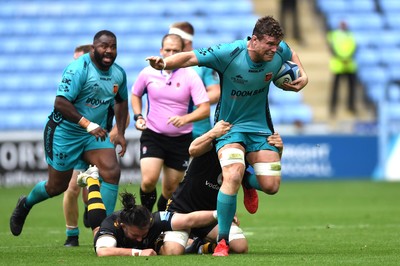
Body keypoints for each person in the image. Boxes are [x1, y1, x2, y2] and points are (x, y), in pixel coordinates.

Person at [146, 16, 308, 256]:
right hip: (230, 127)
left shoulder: (278, 51)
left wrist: (303, 75)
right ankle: (222, 241)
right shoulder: (229, 52)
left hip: (260, 127)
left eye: (277, 46)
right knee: (231, 174)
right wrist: (164, 64)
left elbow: (291, 52)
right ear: (254, 40)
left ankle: (246, 181)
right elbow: (191, 57)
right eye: (270, 45)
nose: (275, 51)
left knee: (271, 186)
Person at [10, 30, 129, 238]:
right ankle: (25, 203)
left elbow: (121, 100)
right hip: (65, 132)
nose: (109, 51)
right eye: (104, 46)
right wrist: (87, 123)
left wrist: (120, 131)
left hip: (93, 134)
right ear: (93, 48)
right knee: (57, 186)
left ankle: (106, 232)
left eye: (113, 46)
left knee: (111, 171)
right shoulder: (78, 69)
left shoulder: (118, 73)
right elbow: (60, 103)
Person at [159, 120, 284, 255]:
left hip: (211, 215)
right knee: (172, 251)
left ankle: (200, 246)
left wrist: (277, 151)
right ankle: (157, 241)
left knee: (240, 247)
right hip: (183, 209)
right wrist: (212, 133)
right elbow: (192, 149)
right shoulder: (220, 137)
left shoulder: (249, 146)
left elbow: (268, 181)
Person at [131, 33, 210, 212]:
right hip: (153, 134)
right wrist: (138, 116)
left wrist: (185, 119)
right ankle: (144, 216)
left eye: (175, 50)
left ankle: (159, 221)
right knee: (149, 180)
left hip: (180, 139)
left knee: (170, 188)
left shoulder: (190, 76)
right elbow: (135, 94)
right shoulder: (148, 72)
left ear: (182, 52)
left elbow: (204, 108)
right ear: (161, 50)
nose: (171, 53)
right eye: (167, 50)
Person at [76, 164, 219, 256]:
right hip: (108, 229)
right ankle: (92, 180)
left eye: (143, 234)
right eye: (135, 235)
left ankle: (198, 246)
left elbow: (189, 219)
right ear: (123, 226)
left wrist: (219, 214)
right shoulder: (111, 227)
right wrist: (138, 253)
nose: (140, 239)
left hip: (153, 241)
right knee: (96, 229)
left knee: (173, 249)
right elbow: (103, 252)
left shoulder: (153, 220)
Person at [169, 22, 220, 138]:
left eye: (174, 37)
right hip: (170, 133)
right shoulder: (166, 64)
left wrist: (189, 98)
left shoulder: (202, 63)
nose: (170, 40)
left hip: (198, 131)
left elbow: (216, 93)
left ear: (187, 42)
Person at [327, 20, 358, 116]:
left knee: (351, 88)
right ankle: (333, 107)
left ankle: (351, 106)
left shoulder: (350, 35)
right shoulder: (334, 35)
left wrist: (346, 57)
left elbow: (354, 47)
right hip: (339, 65)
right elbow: (332, 48)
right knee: (336, 87)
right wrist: (343, 58)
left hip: (349, 65)